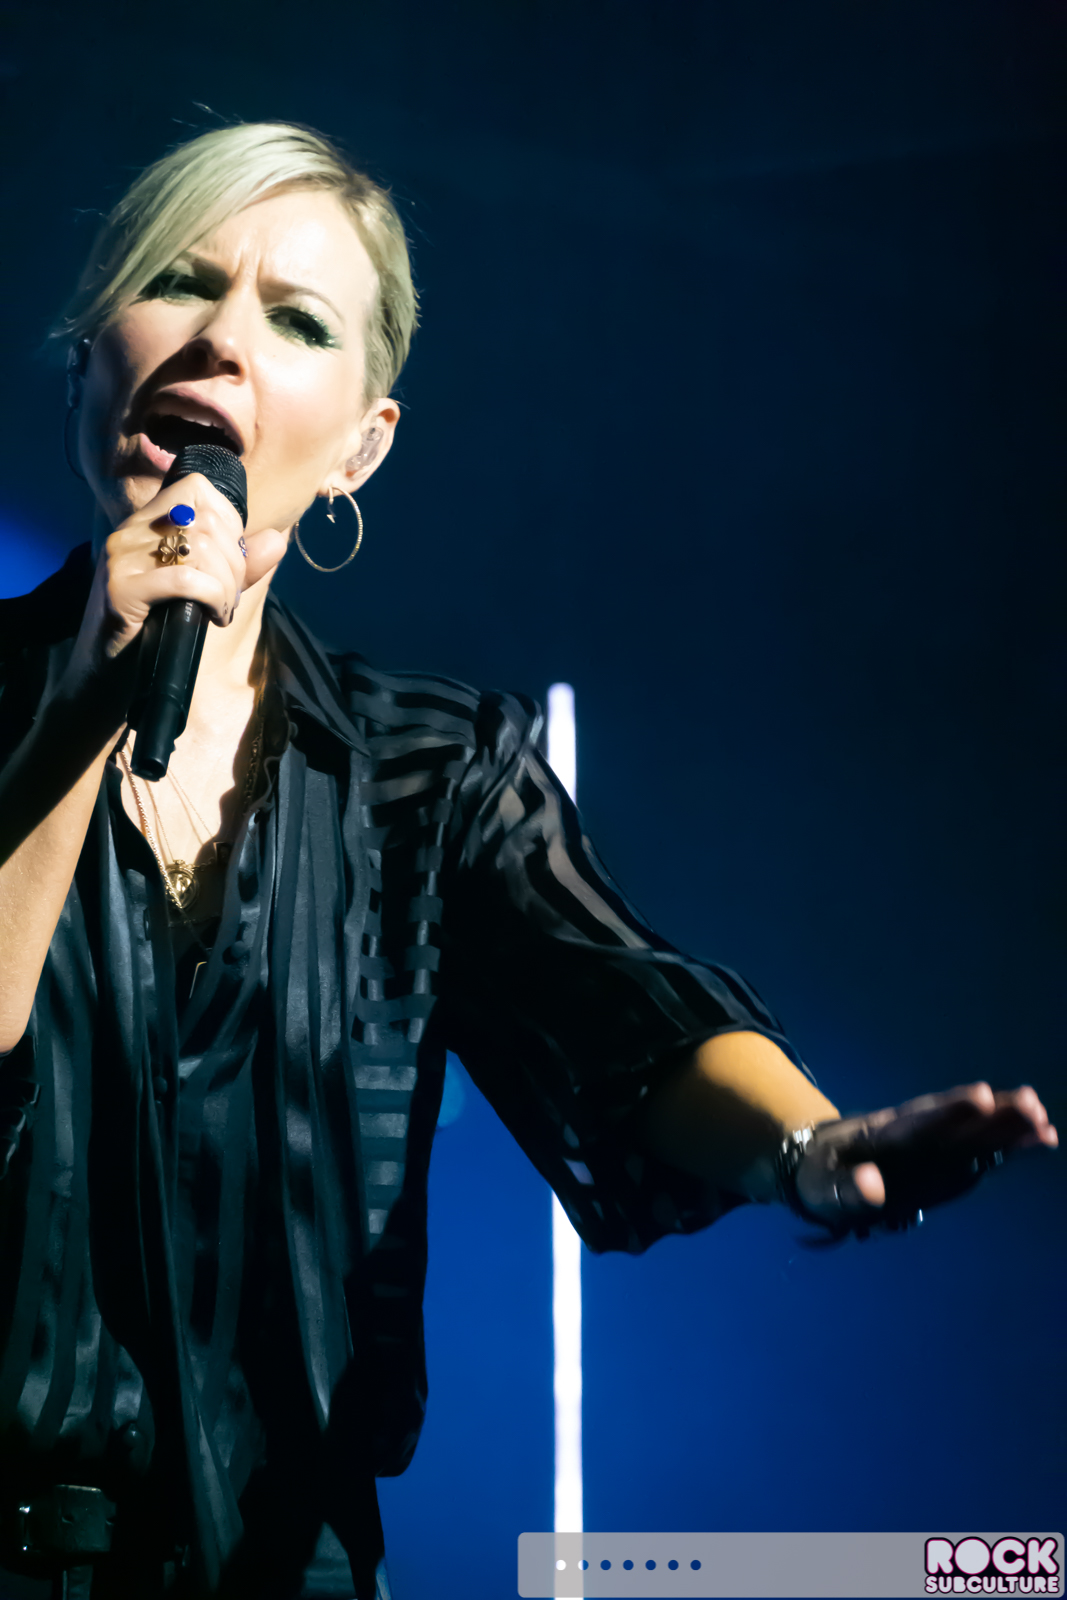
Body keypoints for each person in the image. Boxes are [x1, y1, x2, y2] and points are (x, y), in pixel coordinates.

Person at [0, 122, 1056, 1600]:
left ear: (362, 442)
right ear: (83, 360)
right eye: (178, 281)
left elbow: (622, 1014)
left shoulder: (428, 770)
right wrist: (76, 711)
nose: (223, 340)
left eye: (297, 321)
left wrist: (813, 1154)